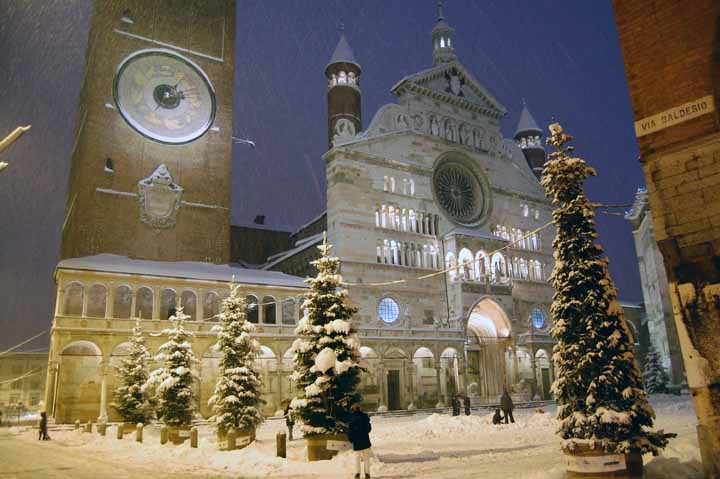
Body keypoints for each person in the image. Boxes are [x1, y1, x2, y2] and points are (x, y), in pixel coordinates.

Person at [347, 404, 372, 479]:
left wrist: (351, 439)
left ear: (353, 409)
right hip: (365, 440)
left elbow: (350, 431)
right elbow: (369, 429)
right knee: (366, 458)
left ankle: (357, 473)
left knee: (357, 458)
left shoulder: (351, 417)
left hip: (356, 441)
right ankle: (367, 474)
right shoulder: (365, 416)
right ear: (359, 409)